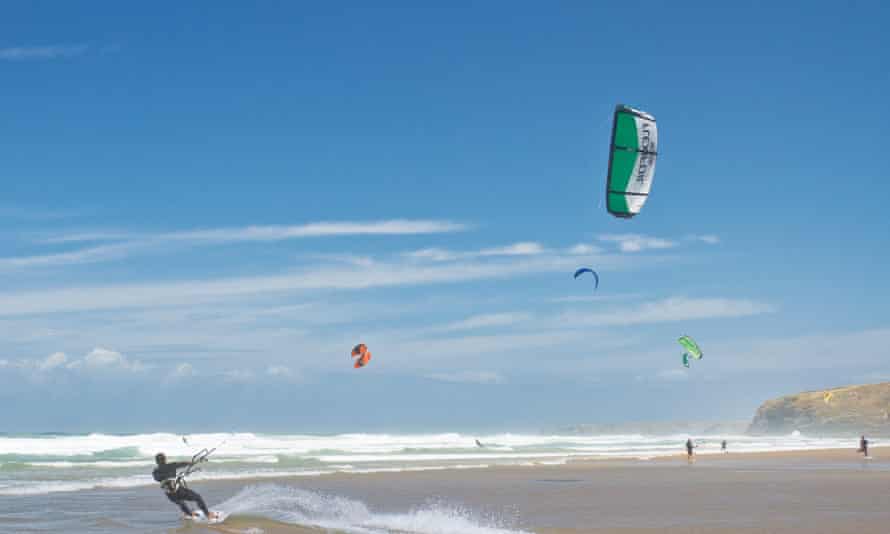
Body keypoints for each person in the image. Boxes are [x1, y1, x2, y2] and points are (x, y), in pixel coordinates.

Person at [152, 452, 216, 519]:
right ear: (165, 459)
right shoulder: (172, 465)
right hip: (179, 491)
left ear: (156, 461)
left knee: (180, 502)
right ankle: (208, 514)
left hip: (170, 495)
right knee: (197, 497)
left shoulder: (155, 472)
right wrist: (196, 461)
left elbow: (158, 479)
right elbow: (184, 464)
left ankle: (189, 514)